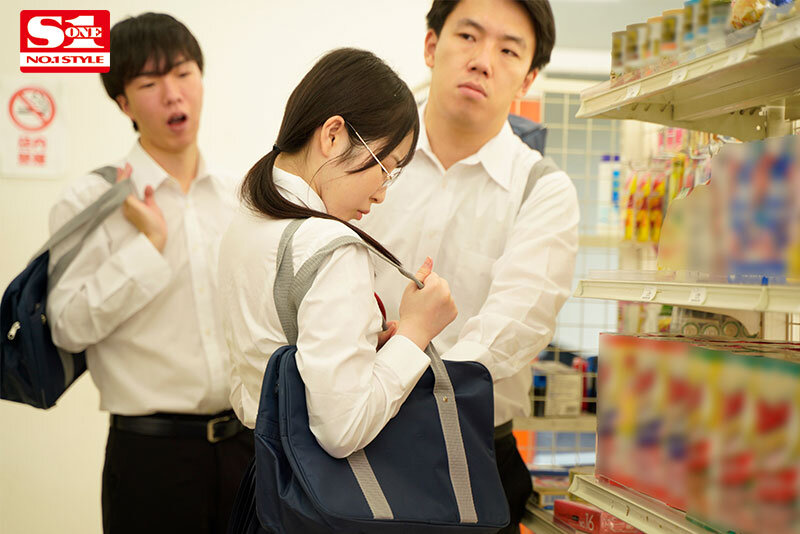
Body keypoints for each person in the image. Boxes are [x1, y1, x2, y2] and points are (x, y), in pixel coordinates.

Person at [358, 1, 580, 532]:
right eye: (468, 36)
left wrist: (394, 376)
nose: (483, 60)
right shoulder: (359, 154)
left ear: (528, 78)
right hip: (349, 446)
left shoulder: (543, 190)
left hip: (471, 455)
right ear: (431, 45)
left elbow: (515, 326)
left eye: (509, 50)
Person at [218, 47, 458, 530]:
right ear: (332, 135)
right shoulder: (330, 248)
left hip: (264, 488)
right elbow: (342, 428)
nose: (382, 192)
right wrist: (415, 332)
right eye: (385, 166)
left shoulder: (244, 223)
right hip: (322, 502)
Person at [46, 13, 252, 534]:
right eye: (149, 83)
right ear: (124, 103)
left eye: (183, 74)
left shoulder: (239, 197)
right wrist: (148, 248)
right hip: (150, 459)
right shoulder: (90, 201)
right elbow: (66, 326)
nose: (172, 94)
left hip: (246, 449)